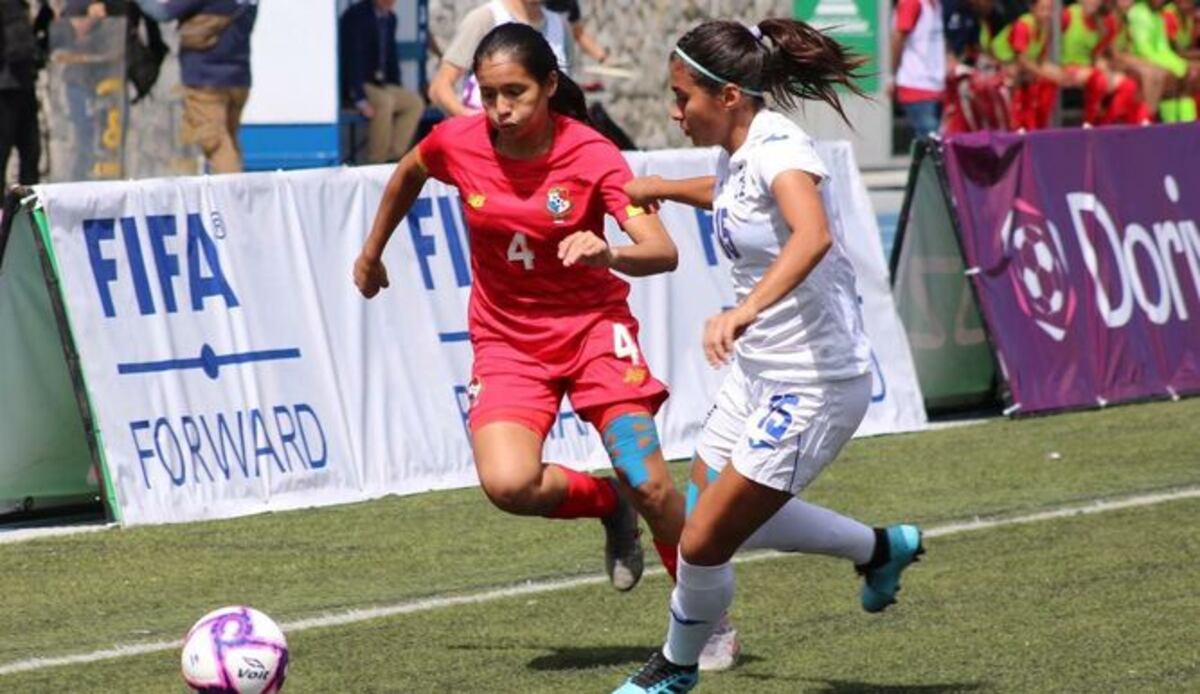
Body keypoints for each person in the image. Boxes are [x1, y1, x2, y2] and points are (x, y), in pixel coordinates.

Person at [613, 18, 923, 693]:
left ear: (727, 96)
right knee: (711, 515)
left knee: (701, 541)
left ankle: (676, 668)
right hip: (761, 375)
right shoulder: (738, 147)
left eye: (681, 96)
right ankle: (880, 549)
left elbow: (809, 234)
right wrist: (666, 187)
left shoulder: (779, 148)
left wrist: (743, 312)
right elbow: (734, 197)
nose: (673, 111)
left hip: (814, 383)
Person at [354, 23, 689, 608]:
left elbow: (663, 251)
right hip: (508, 341)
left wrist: (608, 250)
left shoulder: (590, 153)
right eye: (488, 95)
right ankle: (609, 506)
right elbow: (409, 171)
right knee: (508, 484)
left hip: (592, 332)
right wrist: (371, 252)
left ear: (550, 85)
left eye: (516, 93)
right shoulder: (457, 142)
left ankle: (703, 616)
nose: (501, 109)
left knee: (653, 484)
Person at [133, 0, 258, 173]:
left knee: (216, 143)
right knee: (230, 139)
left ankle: (232, 196)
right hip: (239, 79)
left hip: (205, 80)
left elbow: (162, 12)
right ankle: (234, 190)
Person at [429, 0, 570, 117]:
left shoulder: (560, 25)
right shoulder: (486, 19)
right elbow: (439, 87)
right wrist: (469, 119)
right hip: (491, 141)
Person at [340, 0, 425, 163]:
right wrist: (360, 99)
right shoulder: (355, 16)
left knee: (414, 102)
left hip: (380, 83)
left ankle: (392, 156)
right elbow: (351, 58)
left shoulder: (391, 18)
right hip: (357, 85)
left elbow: (391, 56)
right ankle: (375, 161)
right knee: (385, 102)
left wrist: (397, 85)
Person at [891, 0, 947, 141]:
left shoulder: (936, 5)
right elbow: (898, 39)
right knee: (932, 143)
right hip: (916, 84)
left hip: (936, 85)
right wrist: (892, 76)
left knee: (932, 144)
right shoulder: (912, 3)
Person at [0, 0, 42, 190]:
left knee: (31, 153)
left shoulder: (23, 6)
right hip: (5, 89)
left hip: (25, 85)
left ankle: (28, 214)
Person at [544, 0, 609, 63]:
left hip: (561, 60)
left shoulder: (570, 3)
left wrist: (602, 57)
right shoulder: (538, 4)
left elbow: (578, 33)